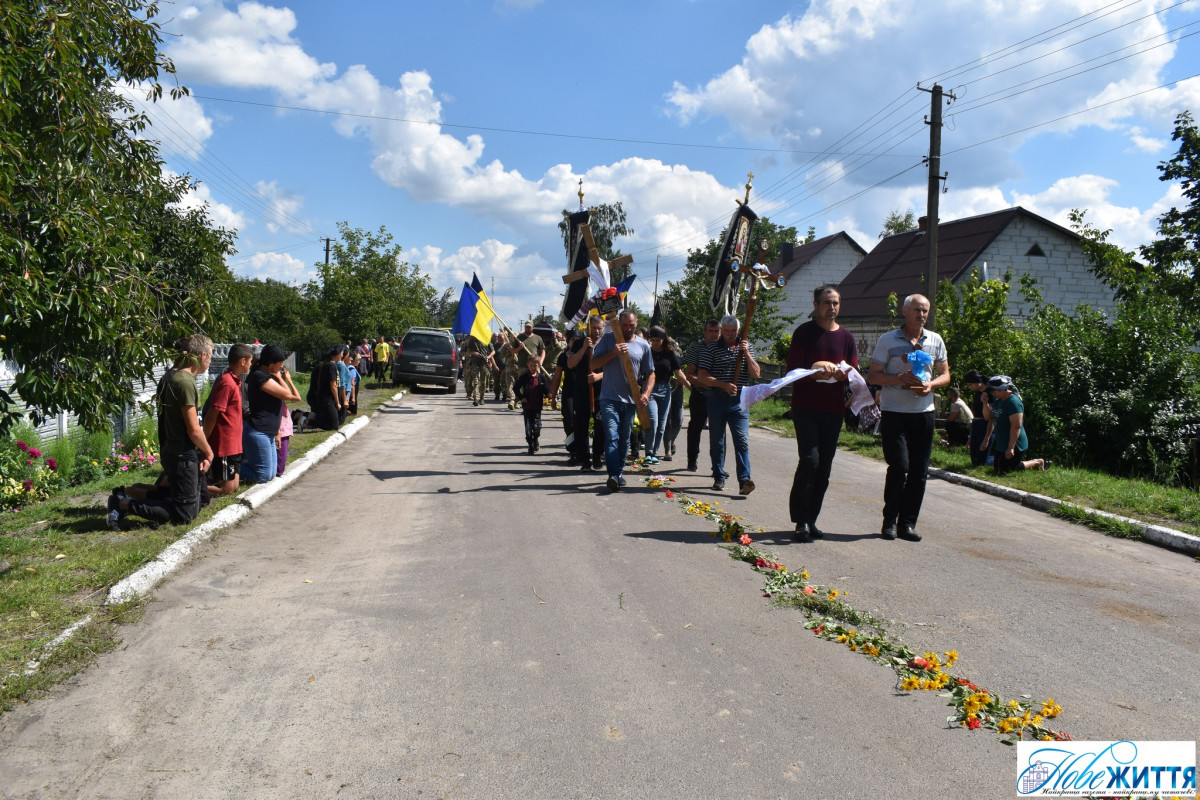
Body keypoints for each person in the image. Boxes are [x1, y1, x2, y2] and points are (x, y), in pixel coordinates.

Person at [866, 294, 950, 542]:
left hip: (924, 413)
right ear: (904, 311)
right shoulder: (888, 340)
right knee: (899, 466)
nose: (921, 314)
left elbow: (945, 375)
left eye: (925, 310)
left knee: (919, 471)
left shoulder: (934, 340)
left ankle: (908, 524)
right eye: (916, 310)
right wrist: (898, 379)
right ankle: (889, 521)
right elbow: (873, 376)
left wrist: (931, 385)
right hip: (894, 413)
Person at [109, 335, 214, 529]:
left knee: (201, 499)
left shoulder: (176, 377)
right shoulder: (183, 382)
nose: (210, 360)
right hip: (182, 453)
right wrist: (208, 451)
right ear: (201, 355)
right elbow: (193, 428)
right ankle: (124, 504)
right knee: (185, 515)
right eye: (210, 355)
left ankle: (131, 492)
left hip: (179, 451)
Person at [786, 286, 859, 542]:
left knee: (824, 467)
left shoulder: (847, 337)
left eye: (836, 302)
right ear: (816, 305)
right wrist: (814, 370)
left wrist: (844, 374)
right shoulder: (804, 333)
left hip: (833, 409)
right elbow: (793, 370)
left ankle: (812, 518)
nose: (832, 307)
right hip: (806, 407)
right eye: (827, 302)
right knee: (810, 460)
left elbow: (853, 372)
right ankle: (800, 520)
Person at [697, 315, 761, 495]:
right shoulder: (711, 349)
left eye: (734, 331)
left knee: (741, 440)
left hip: (740, 400)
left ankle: (744, 480)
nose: (730, 334)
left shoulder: (746, 347)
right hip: (717, 398)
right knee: (717, 440)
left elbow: (756, 373)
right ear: (722, 331)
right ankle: (719, 476)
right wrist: (722, 384)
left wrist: (747, 353)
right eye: (727, 331)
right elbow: (702, 376)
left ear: (738, 330)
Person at [591, 310, 654, 492]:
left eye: (631, 325)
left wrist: (646, 394)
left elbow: (651, 373)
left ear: (636, 323)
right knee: (612, 436)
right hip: (609, 398)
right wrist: (613, 353)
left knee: (624, 438)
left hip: (631, 400)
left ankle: (618, 473)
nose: (628, 329)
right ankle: (612, 474)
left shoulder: (643, 345)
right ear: (619, 323)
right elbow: (593, 365)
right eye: (624, 325)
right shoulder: (609, 339)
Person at [241, 345, 301, 483]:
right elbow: (291, 396)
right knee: (263, 476)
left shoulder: (268, 376)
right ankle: (229, 468)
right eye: (280, 363)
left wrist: (277, 432)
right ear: (271, 364)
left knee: (273, 473)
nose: (282, 366)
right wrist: (285, 379)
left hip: (269, 431)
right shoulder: (259, 377)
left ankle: (242, 466)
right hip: (258, 430)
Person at [203, 342, 253, 497]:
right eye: (250, 361)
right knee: (227, 490)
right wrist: (204, 440)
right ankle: (189, 488)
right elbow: (213, 414)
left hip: (234, 444)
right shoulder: (227, 382)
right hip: (224, 444)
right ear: (242, 361)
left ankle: (202, 483)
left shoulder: (235, 380)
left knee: (234, 487)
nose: (251, 365)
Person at [645, 325, 689, 465]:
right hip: (650, 389)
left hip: (665, 390)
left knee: (662, 424)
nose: (655, 342)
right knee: (653, 421)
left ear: (663, 339)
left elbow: (678, 373)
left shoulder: (670, 354)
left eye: (658, 340)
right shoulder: (647, 352)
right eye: (652, 339)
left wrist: (690, 386)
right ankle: (648, 452)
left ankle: (655, 453)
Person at [984, 375, 1047, 472]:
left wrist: (1011, 448)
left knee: (1008, 469)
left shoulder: (1013, 402)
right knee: (998, 468)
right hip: (1002, 443)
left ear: (1002, 389)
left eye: (994, 391)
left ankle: (1037, 462)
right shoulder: (998, 401)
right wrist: (985, 403)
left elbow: (1016, 426)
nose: (992, 393)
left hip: (1015, 444)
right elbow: (989, 418)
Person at [566, 315, 605, 472]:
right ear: (589, 328)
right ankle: (585, 459)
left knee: (600, 426)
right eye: (593, 328)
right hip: (582, 390)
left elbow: (613, 367)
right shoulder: (579, 343)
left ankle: (597, 457)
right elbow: (570, 364)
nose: (596, 331)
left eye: (599, 328)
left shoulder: (606, 344)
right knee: (580, 426)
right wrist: (583, 348)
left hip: (602, 391)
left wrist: (599, 376)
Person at [514, 355, 550, 454]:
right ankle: (530, 445)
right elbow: (515, 388)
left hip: (537, 406)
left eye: (535, 365)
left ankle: (536, 440)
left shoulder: (541, 378)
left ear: (538, 365)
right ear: (527, 365)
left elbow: (546, 390)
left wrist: (549, 396)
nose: (533, 368)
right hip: (527, 407)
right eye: (531, 366)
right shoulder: (524, 377)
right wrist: (521, 398)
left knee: (537, 427)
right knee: (528, 428)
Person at [307, 345, 343, 431]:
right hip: (327, 399)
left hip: (325, 398)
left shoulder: (328, 364)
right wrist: (337, 402)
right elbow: (333, 385)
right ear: (337, 354)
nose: (342, 355)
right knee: (334, 426)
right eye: (341, 353)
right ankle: (307, 421)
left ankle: (310, 418)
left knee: (331, 423)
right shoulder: (331, 366)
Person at [964, 370, 992, 467]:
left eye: (971, 384)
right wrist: (970, 436)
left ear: (978, 382)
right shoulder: (977, 394)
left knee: (981, 460)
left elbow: (991, 419)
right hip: (976, 425)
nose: (970, 387)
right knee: (974, 459)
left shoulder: (990, 393)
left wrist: (986, 438)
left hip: (985, 425)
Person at [461, 335, 494, 406]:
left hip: (483, 363)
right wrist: (473, 353)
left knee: (483, 383)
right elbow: (467, 352)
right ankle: (476, 399)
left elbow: (493, 351)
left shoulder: (486, 339)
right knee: (476, 381)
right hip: (474, 363)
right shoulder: (472, 341)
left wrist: (488, 357)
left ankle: (482, 398)